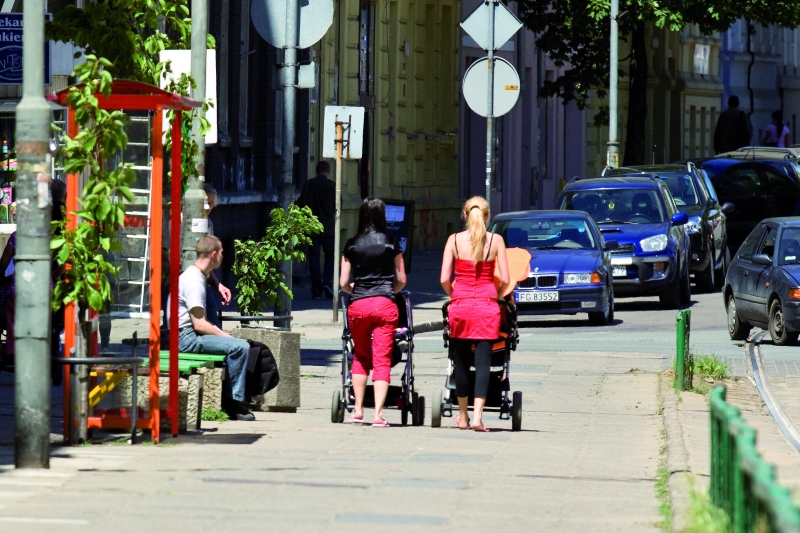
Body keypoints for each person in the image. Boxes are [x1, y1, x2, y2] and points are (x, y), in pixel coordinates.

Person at [440, 196, 509, 432]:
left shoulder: (454, 240)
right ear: (487, 216)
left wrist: (455, 295)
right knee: (483, 364)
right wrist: (496, 295)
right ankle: (478, 417)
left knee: (460, 363)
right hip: (487, 307)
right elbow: (507, 279)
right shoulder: (496, 241)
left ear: (465, 215)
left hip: (461, 305)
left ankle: (462, 416)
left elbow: (443, 279)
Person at [339, 197, 406, 427]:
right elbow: (402, 280)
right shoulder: (391, 243)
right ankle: (377, 415)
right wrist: (390, 291)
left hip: (358, 305)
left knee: (360, 355)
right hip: (385, 305)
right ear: (381, 216)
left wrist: (355, 290)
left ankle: (357, 410)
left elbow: (343, 282)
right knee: (381, 358)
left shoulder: (351, 244)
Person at [173, 235, 253, 421]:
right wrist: (226, 336)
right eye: (222, 253)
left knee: (233, 344)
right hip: (187, 338)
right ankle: (234, 402)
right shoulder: (194, 282)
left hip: (185, 334)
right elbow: (199, 324)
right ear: (214, 255)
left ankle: (231, 396)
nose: (224, 256)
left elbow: (208, 275)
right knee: (240, 347)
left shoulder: (198, 274)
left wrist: (218, 285)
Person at [298, 161, 335, 300]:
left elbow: (301, 203)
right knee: (330, 256)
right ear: (328, 171)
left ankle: (316, 290)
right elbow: (338, 205)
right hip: (329, 229)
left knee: (313, 259)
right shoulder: (332, 186)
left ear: (316, 170)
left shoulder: (309, 184)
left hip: (312, 229)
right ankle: (327, 282)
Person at [202, 183, 231, 327]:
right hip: (190, 282)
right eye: (206, 202)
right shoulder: (183, 221)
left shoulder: (208, 223)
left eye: (212, 203)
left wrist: (217, 284)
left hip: (205, 281)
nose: (209, 207)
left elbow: (208, 259)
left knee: (214, 322)